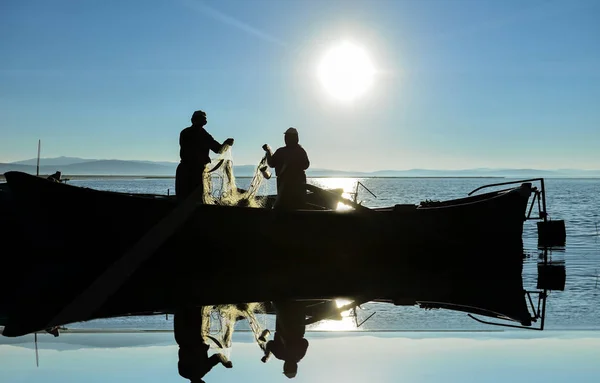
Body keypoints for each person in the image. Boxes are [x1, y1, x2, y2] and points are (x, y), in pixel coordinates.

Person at [174, 110, 234, 382]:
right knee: (196, 207)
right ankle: (194, 238)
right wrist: (228, 144)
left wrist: (218, 361)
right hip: (194, 173)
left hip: (183, 172)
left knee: (182, 207)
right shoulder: (199, 135)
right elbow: (217, 148)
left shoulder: (186, 133)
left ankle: (183, 237)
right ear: (203, 122)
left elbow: (208, 362)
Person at [176, 110, 234, 202]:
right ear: (194, 120)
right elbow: (218, 149)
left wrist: (226, 144)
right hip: (190, 171)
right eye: (200, 119)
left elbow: (218, 149)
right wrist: (224, 145)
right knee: (190, 199)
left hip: (196, 171)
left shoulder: (202, 134)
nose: (202, 121)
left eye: (203, 119)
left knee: (194, 199)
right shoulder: (191, 133)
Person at [263, 127, 310, 210]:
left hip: (285, 187)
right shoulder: (301, 151)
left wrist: (268, 151)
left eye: (287, 137)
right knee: (299, 207)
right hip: (298, 186)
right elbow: (306, 165)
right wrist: (268, 151)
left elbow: (271, 163)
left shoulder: (281, 151)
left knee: (282, 207)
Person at [261, 301, 309, 379]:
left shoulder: (299, 355)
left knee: (298, 303)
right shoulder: (280, 355)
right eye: (286, 368)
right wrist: (266, 354)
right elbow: (270, 344)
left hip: (298, 324)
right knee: (280, 303)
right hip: (283, 321)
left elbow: (305, 342)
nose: (284, 367)